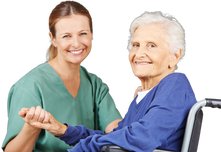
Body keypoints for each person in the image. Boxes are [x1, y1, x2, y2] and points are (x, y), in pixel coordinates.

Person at [18, 10, 198, 152]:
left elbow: (141, 138)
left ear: (175, 56)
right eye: (135, 45)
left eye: (152, 45)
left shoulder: (175, 85)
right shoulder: (145, 93)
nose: (139, 54)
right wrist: (63, 130)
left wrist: (83, 148)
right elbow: (118, 136)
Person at [1, 1, 122, 152]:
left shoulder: (96, 85)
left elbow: (119, 136)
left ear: (92, 34)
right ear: (53, 39)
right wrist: (32, 127)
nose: (76, 43)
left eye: (83, 33)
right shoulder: (30, 86)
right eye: (67, 36)